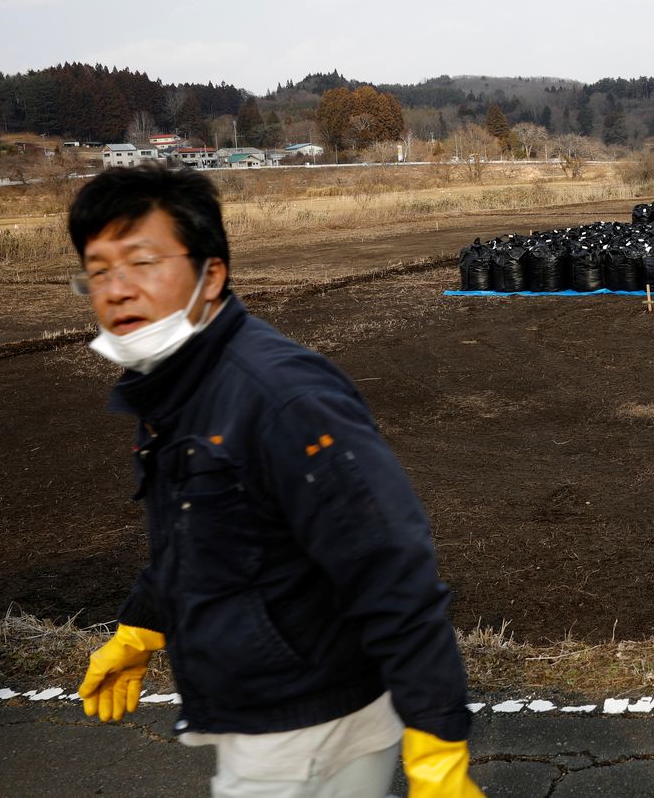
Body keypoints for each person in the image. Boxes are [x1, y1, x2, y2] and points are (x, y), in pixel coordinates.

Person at [70, 163, 481, 798]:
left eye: (142, 261)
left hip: (304, 723)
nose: (116, 290)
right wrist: (143, 624)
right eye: (98, 270)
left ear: (212, 273)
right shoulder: (179, 387)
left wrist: (437, 750)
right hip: (272, 707)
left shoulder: (280, 396)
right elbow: (207, 530)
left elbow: (390, 563)